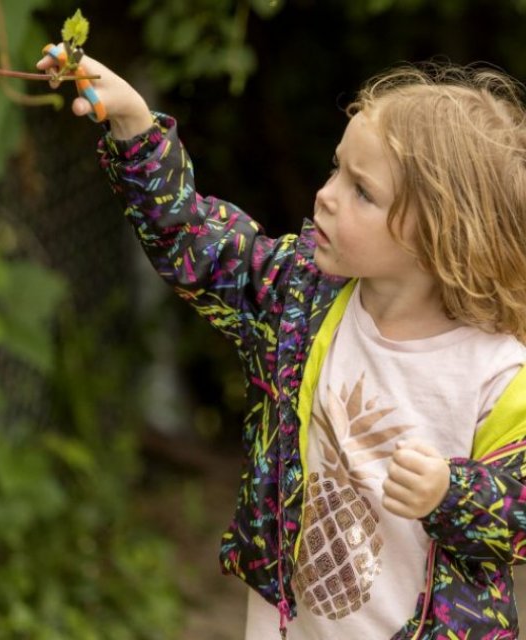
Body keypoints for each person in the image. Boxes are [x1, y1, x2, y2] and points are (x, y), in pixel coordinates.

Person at [37, 46, 526, 639]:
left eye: (362, 191)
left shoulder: (499, 373)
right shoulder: (301, 296)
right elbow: (198, 243)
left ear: (441, 236)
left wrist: (453, 493)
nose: (326, 194)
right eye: (336, 169)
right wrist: (136, 127)